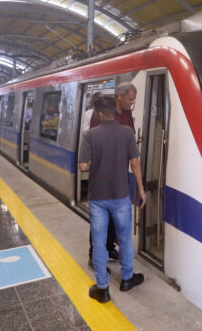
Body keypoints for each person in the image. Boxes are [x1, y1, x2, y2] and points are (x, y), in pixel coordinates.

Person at [80, 96, 147, 304]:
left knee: (99, 242)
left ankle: (102, 289)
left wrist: (96, 163)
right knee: (124, 238)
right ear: (114, 112)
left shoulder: (90, 135)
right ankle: (127, 279)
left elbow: (83, 166)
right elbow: (135, 163)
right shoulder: (127, 133)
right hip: (120, 196)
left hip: (98, 198)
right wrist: (141, 189)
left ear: (99, 113)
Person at [88, 83, 138, 266]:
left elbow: (130, 137)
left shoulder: (127, 114)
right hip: (102, 175)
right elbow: (93, 142)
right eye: (130, 99)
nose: (131, 103)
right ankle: (94, 256)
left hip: (120, 173)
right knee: (100, 220)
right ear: (119, 96)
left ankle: (109, 248)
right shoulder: (101, 112)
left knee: (114, 218)